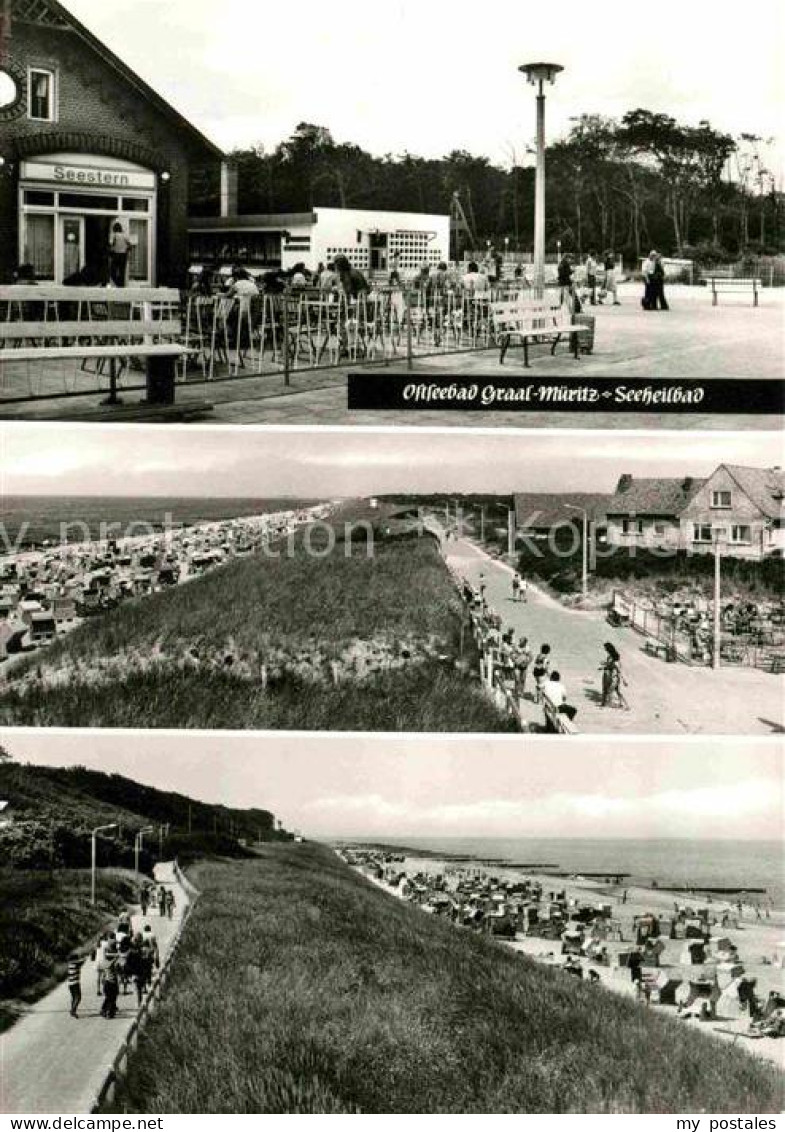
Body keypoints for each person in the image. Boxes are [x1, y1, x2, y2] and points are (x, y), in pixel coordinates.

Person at [600, 642, 629, 709]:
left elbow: (618, 669)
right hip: (612, 676)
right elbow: (609, 664)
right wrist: (604, 666)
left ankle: (608, 704)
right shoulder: (611, 656)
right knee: (617, 691)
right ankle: (625, 705)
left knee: (610, 690)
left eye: (605, 648)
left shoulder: (614, 659)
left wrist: (624, 680)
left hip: (614, 677)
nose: (605, 649)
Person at [107, 222, 132, 287]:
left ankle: (118, 283)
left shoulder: (114, 235)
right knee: (122, 272)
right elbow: (130, 245)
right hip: (123, 255)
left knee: (112, 272)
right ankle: (121, 285)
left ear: (114, 228)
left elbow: (111, 244)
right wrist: (126, 251)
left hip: (116, 255)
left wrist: (110, 252)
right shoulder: (124, 235)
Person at [67, 953, 83, 1018]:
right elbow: (82, 961)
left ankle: (73, 1009)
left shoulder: (70, 964)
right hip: (75, 983)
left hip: (70, 983)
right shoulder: (76, 964)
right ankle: (73, 1010)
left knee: (74, 997)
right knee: (78, 997)